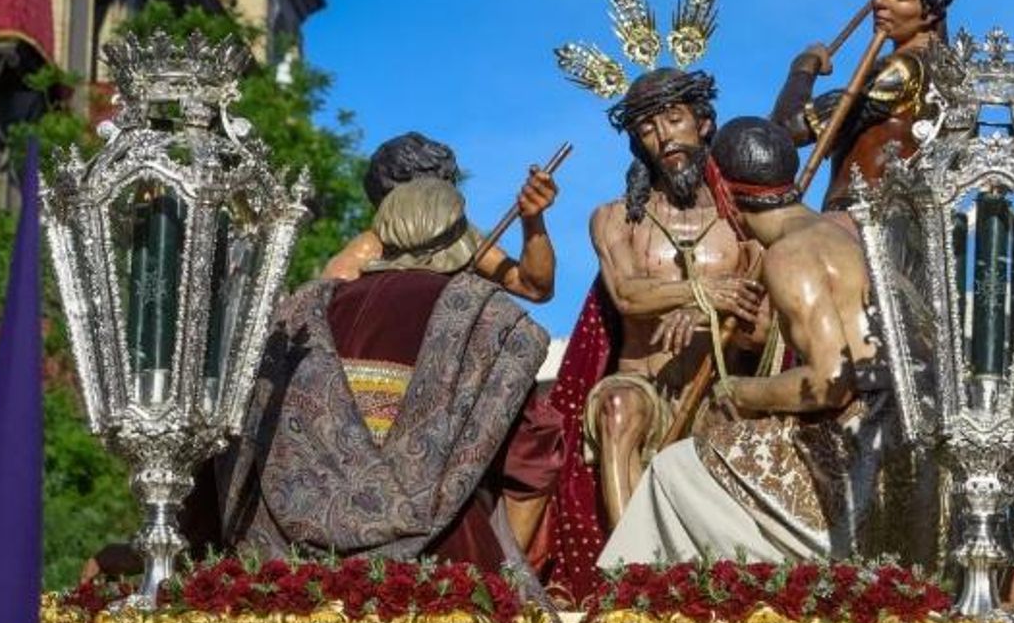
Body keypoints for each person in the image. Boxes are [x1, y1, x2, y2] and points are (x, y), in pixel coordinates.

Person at [217, 178, 555, 572]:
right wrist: (507, 574)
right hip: (440, 565)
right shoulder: (488, 319)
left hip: (288, 566)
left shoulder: (306, 309)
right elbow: (531, 460)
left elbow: (242, 442)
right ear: (461, 238)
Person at [599, 117, 888, 566]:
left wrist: (739, 391)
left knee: (671, 473)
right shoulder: (845, 231)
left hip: (855, 451)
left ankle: (642, 596)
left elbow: (831, 379)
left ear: (725, 193)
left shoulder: (790, 255)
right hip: (890, 427)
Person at [582, 68, 767, 526]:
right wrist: (703, 292)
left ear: (702, 123)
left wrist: (705, 312)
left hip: (719, 389)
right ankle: (629, 570)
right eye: (647, 129)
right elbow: (627, 294)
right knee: (618, 409)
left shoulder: (746, 222)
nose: (663, 137)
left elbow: (761, 327)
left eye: (673, 119)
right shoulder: (616, 219)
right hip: (644, 384)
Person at [771, 0, 961, 212]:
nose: (879, 1)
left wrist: (803, 67)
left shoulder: (900, 71)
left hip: (859, 217)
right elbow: (935, 12)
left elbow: (785, 130)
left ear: (931, 12)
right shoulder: (937, 66)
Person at [321, 132, 558, 302]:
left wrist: (532, 219)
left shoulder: (461, 239)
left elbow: (534, 287)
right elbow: (332, 295)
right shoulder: (372, 245)